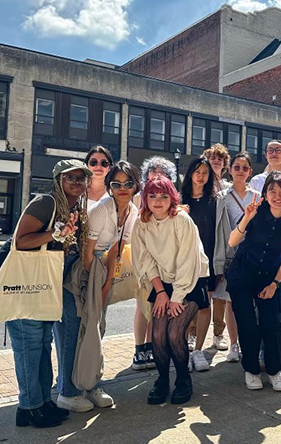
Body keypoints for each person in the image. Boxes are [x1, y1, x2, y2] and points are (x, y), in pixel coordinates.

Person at [9, 160, 90, 427]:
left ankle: (42, 403)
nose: (78, 183)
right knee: (29, 348)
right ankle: (28, 407)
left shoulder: (74, 208)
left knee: (42, 345)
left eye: (82, 178)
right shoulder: (46, 203)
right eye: (71, 178)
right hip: (25, 287)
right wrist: (55, 233)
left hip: (43, 288)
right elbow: (20, 241)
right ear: (58, 180)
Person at [131, 177, 209, 405]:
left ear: (172, 198)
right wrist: (161, 292)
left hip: (192, 279)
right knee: (157, 333)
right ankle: (162, 380)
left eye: (164, 196)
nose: (158, 201)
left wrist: (176, 298)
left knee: (175, 332)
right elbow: (144, 259)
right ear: (145, 198)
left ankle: (183, 380)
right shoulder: (141, 223)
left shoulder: (181, 219)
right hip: (162, 281)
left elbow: (188, 260)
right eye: (152, 195)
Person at [227, 172, 281, 391]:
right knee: (248, 324)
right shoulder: (256, 212)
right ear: (265, 194)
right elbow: (233, 241)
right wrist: (246, 218)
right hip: (242, 273)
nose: (277, 196)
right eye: (272, 191)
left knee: (271, 323)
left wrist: (275, 284)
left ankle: (274, 370)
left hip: (268, 277)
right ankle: (251, 370)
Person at [85, 161, 140, 390]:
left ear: (136, 185)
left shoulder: (132, 211)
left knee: (99, 325)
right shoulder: (100, 210)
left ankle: (90, 380)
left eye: (128, 183)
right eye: (116, 184)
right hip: (86, 265)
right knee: (84, 325)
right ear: (109, 187)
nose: (122, 188)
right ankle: (74, 384)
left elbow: (118, 249)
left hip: (106, 262)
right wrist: (93, 286)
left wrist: (106, 285)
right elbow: (87, 253)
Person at [130, 156, 178, 371]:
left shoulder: (169, 196)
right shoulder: (139, 196)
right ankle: (140, 348)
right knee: (143, 305)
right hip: (144, 257)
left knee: (157, 307)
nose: (158, 175)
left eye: (163, 172)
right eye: (153, 171)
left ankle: (152, 345)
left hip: (165, 259)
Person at [215, 153, 261, 363]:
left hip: (254, 254)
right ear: (230, 170)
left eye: (245, 168)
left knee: (253, 302)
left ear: (250, 172)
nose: (240, 171)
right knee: (231, 302)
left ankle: (249, 343)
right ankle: (234, 344)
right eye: (237, 167)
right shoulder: (222, 196)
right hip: (230, 254)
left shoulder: (258, 195)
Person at [181, 157, 222, 371]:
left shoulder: (214, 201)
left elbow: (218, 234)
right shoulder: (180, 200)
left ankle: (198, 350)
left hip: (207, 263)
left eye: (205, 172)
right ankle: (185, 348)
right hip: (183, 264)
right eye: (197, 171)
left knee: (205, 305)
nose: (200, 176)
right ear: (190, 174)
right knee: (185, 305)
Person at [203, 144, 231, 351]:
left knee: (221, 293)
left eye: (220, 158)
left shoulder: (228, 188)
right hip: (202, 243)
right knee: (201, 293)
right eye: (212, 157)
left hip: (221, 243)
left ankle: (218, 333)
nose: (216, 161)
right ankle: (193, 334)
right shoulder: (199, 184)